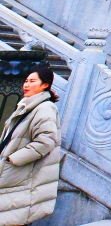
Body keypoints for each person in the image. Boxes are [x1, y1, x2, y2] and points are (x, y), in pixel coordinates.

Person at [0, 64, 61, 226]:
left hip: (22, 172)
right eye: (25, 81)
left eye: (32, 81)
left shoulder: (44, 108)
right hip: (14, 172)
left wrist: (13, 159)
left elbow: (46, 141)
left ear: (45, 85)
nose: (26, 85)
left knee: (14, 215)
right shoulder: (28, 106)